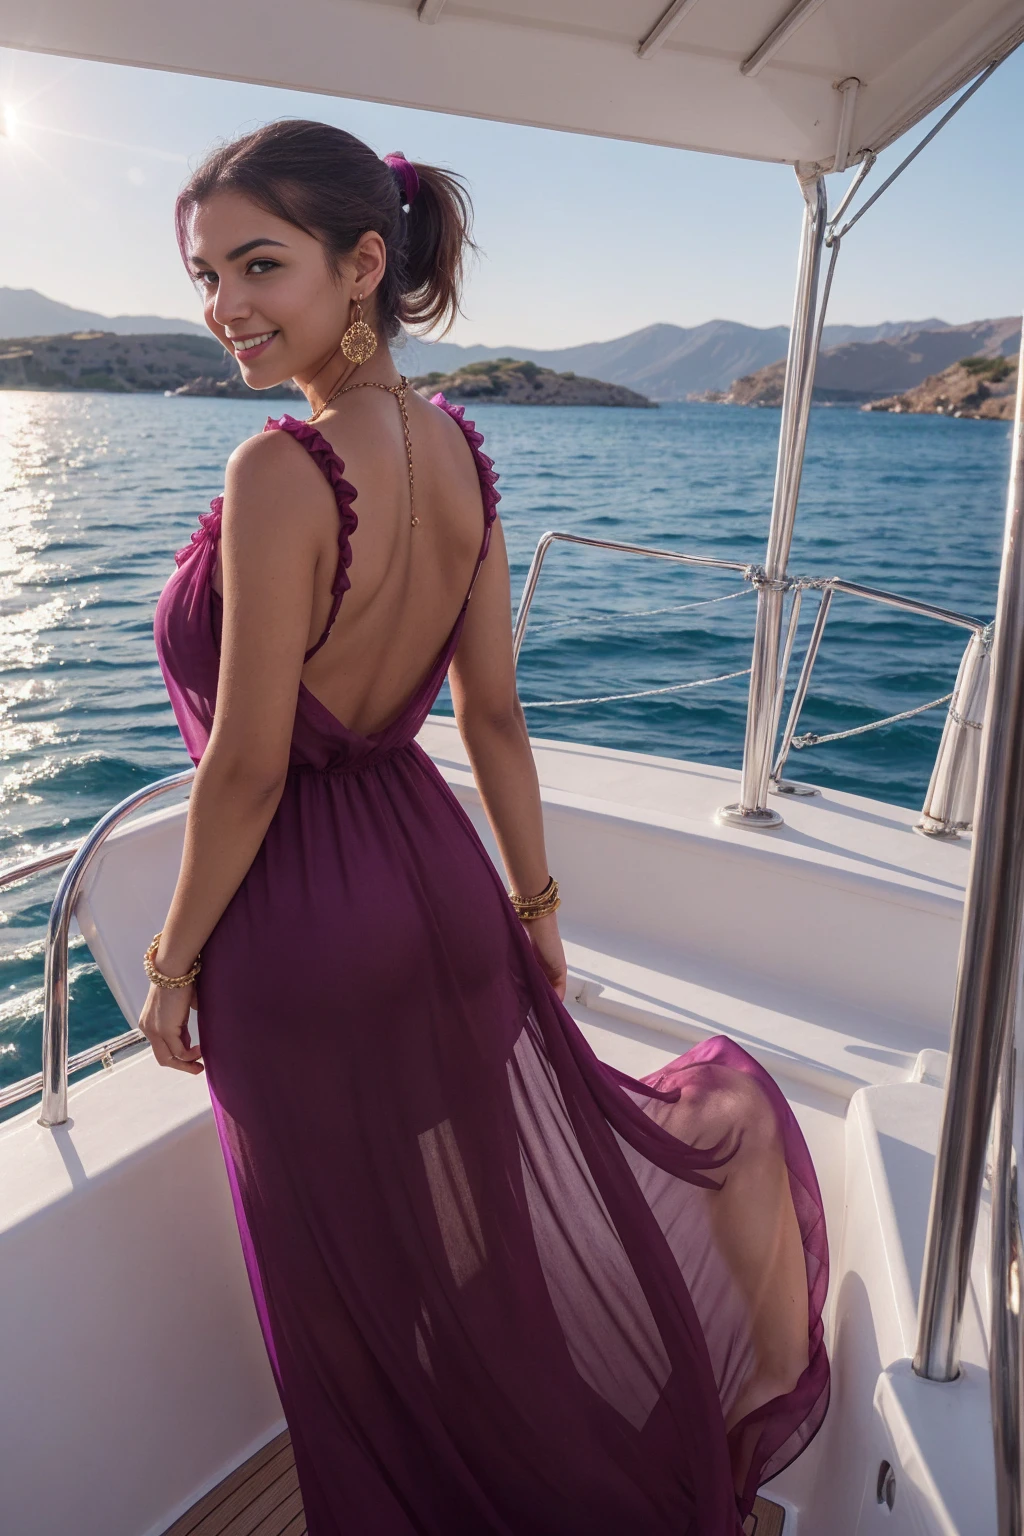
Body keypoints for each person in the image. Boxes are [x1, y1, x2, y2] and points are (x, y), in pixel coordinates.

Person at [143, 119, 828, 1535]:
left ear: (363, 263)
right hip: (442, 893)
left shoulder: (277, 471)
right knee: (477, 1252)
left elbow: (251, 771)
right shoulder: (464, 452)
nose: (227, 309)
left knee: (341, 1292)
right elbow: (496, 721)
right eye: (207, 274)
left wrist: (166, 966)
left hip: (301, 929)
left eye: (259, 266)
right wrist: (535, 910)